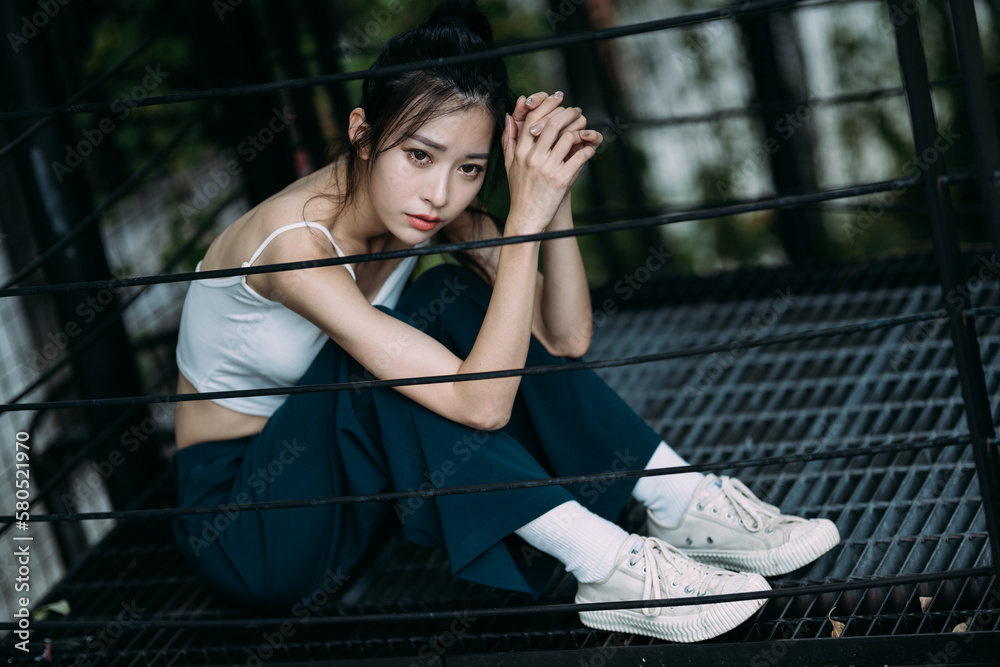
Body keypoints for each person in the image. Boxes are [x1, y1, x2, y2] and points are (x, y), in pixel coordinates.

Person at [170, 0, 839, 643]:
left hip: (356, 499)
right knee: (369, 362)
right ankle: (606, 565)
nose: (440, 193)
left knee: (449, 296)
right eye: (419, 155)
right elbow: (483, 404)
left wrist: (552, 199)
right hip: (250, 528)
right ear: (362, 134)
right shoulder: (296, 247)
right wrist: (521, 221)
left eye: (471, 169)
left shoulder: (426, 209)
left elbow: (563, 335)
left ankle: (679, 500)